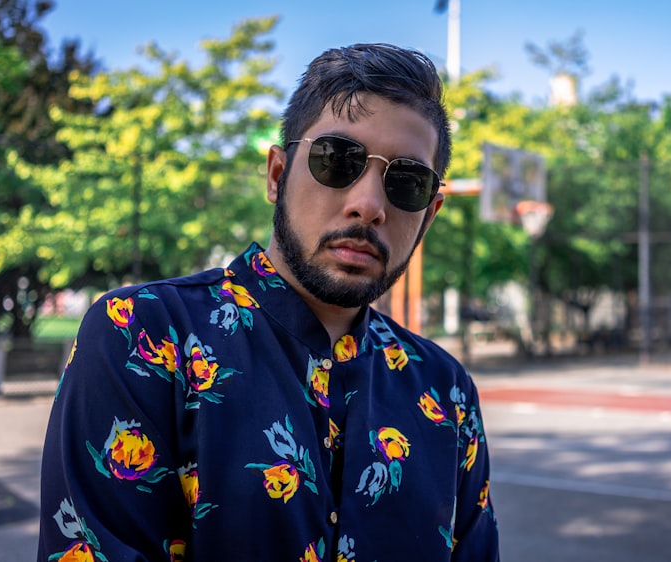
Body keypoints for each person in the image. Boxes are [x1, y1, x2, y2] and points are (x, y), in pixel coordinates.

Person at [38, 43, 500, 561]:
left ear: (430, 213)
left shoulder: (445, 390)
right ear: (277, 174)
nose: (368, 205)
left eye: (407, 183)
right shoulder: (141, 335)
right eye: (337, 160)